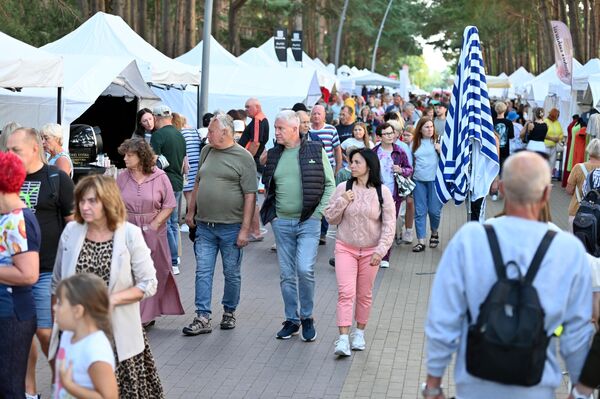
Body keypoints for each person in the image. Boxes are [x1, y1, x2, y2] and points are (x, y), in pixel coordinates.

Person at [423, 151, 594, 399]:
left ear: (501, 189)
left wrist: (433, 384)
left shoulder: (469, 239)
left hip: (474, 384)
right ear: (547, 194)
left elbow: (443, 318)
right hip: (536, 385)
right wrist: (579, 391)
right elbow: (577, 332)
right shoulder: (568, 250)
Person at [51, 175, 163, 398]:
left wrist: (111, 301)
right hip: (77, 331)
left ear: (108, 201)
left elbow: (149, 283)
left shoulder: (129, 234)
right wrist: (58, 319)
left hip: (118, 332)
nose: (84, 207)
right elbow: (57, 283)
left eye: (92, 201)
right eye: (81, 201)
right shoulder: (71, 232)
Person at [7, 127, 75, 399]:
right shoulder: (7, 179)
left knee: (45, 333)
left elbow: (73, 227)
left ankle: (63, 386)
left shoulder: (56, 178)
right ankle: (29, 391)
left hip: (47, 270)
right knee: (20, 336)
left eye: (16, 150)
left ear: (35, 148)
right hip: (12, 271)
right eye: (7, 149)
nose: (9, 155)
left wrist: (70, 273)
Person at [261, 110, 335, 341]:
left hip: (308, 222)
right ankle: (292, 320)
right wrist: (272, 216)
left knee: (304, 269)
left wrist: (318, 214)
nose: (276, 132)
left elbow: (330, 184)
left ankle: (307, 317)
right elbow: (268, 186)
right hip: (282, 222)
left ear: (295, 129)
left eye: (280, 128)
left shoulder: (315, 149)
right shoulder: (273, 154)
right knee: (286, 274)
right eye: (275, 128)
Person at [183, 113, 257, 335]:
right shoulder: (207, 151)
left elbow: (250, 196)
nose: (208, 135)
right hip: (205, 226)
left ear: (225, 132)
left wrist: (245, 229)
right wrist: (191, 211)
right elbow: (197, 182)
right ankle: (202, 316)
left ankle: (229, 311)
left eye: (211, 131)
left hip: (231, 227)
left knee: (231, 272)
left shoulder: (243, 157)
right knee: (202, 271)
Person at [325, 148, 396, 356]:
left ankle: (359, 333)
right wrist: (343, 201)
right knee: (345, 293)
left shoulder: (382, 192)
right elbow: (330, 217)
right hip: (345, 248)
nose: (352, 166)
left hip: (371, 252)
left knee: (364, 294)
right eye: (351, 162)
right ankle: (343, 339)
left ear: (368, 165)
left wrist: (381, 250)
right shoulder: (343, 187)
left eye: (356, 162)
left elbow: (389, 225)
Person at [117, 138, 184, 325]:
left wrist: (154, 225)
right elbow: (113, 203)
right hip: (128, 228)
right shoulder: (122, 177)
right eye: (125, 155)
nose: (125, 159)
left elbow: (169, 204)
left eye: (130, 155)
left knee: (153, 271)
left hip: (153, 229)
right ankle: (136, 315)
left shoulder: (160, 176)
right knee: (129, 272)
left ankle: (148, 313)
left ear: (141, 157)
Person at [0, 151, 41, 398]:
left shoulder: (19, 219)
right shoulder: (9, 217)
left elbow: (28, 275)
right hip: (8, 313)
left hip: (12, 315)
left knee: (10, 388)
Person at [53, 274, 118, 399]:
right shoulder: (67, 335)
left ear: (77, 311)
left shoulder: (95, 349)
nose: (54, 307)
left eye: (60, 303)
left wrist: (70, 386)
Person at [150, 104, 186, 274]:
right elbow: (184, 163)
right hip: (178, 182)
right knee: (173, 223)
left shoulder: (157, 136)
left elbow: (152, 163)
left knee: (166, 223)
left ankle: (172, 261)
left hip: (164, 183)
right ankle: (175, 258)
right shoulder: (180, 135)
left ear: (156, 118)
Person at [373, 122, 413, 267]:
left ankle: (385, 256)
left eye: (392, 133)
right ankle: (373, 252)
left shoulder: (399, 151)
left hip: (394, 195)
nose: (391, 136)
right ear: (379, 137)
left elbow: (409, 169)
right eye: (387, 134)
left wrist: (401, 170)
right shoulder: (373, 152)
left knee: (389, 225)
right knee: (375, 223)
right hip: (376, 194)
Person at [309, 104, 342, 244]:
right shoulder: (307, 130)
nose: (316, 116)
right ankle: (311, 230)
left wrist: (337, 170)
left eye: (319, 114)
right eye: (314, 113)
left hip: (327, 171)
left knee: (326, 201)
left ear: (324, 115)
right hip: (310, 171)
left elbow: (337, 151)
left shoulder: (331, 130)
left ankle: (323, 232)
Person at [239, 98, 269, 242]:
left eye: (248, 107)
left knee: (251, 198)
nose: (245, 110)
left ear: (257, 107)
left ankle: (255, 231)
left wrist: (246, 159)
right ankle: (254, 230)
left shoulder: (258, 120)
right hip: (254, 162)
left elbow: (256, 142)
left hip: (252, 163)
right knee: (251, 197)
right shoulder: (260, 119)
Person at [411, 118, 442, 253]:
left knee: (434, 211)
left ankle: (434, 232)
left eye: (431, 127)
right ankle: (421, 241)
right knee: (420, 211)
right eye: (426, 127)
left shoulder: (439, 141)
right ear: (420, 129)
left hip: (435, 180)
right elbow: (409, 161)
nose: (430, 129)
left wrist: (440, 151)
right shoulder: (414, 143)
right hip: (418, 181)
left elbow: (448, 162)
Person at [566, 138, 600, 231]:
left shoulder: (578, 167)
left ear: (589, 150)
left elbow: (569, 190)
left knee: (574, 243)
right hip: (598, 214)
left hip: (577, 210)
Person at [493, 101, 514, 168]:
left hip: (494, 149)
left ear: (496, 110)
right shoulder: (509, 122)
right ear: (505, 110)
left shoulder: (492, 122)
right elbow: (511, 136)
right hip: (505, 150)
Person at [544, 108, 564, 174]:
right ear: (553, 115)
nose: (558, 117)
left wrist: (558, 138)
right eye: (557, 115)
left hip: (554, 146)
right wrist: (552, 138)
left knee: (552, 164)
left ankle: (548, 180)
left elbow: (561, 133)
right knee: (545, 163)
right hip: (546, 145)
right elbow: (543, 134)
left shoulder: (557, 123)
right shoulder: (545, 121)